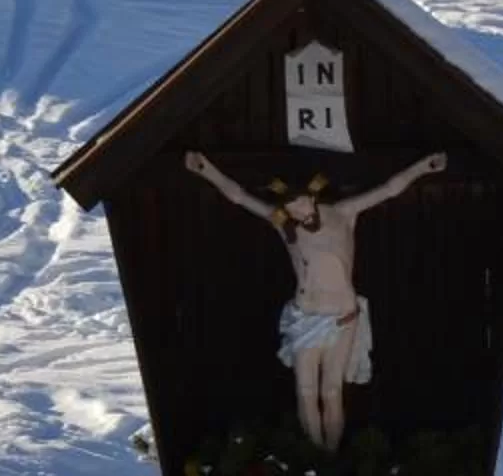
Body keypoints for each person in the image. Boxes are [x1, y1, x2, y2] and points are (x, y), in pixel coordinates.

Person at [184, 148, 446, 450]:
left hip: (342, 317)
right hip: (305, 317)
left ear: (311, 196)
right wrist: (207, 170)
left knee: (332, 391)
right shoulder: (283, 225)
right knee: (305, 391)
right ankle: (314, 458)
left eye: (298, 203)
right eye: (289, 208)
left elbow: (388, 189)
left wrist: (422, 168)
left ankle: (330, 456)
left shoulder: (344, 213)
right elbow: (240, 197)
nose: (296, 212)